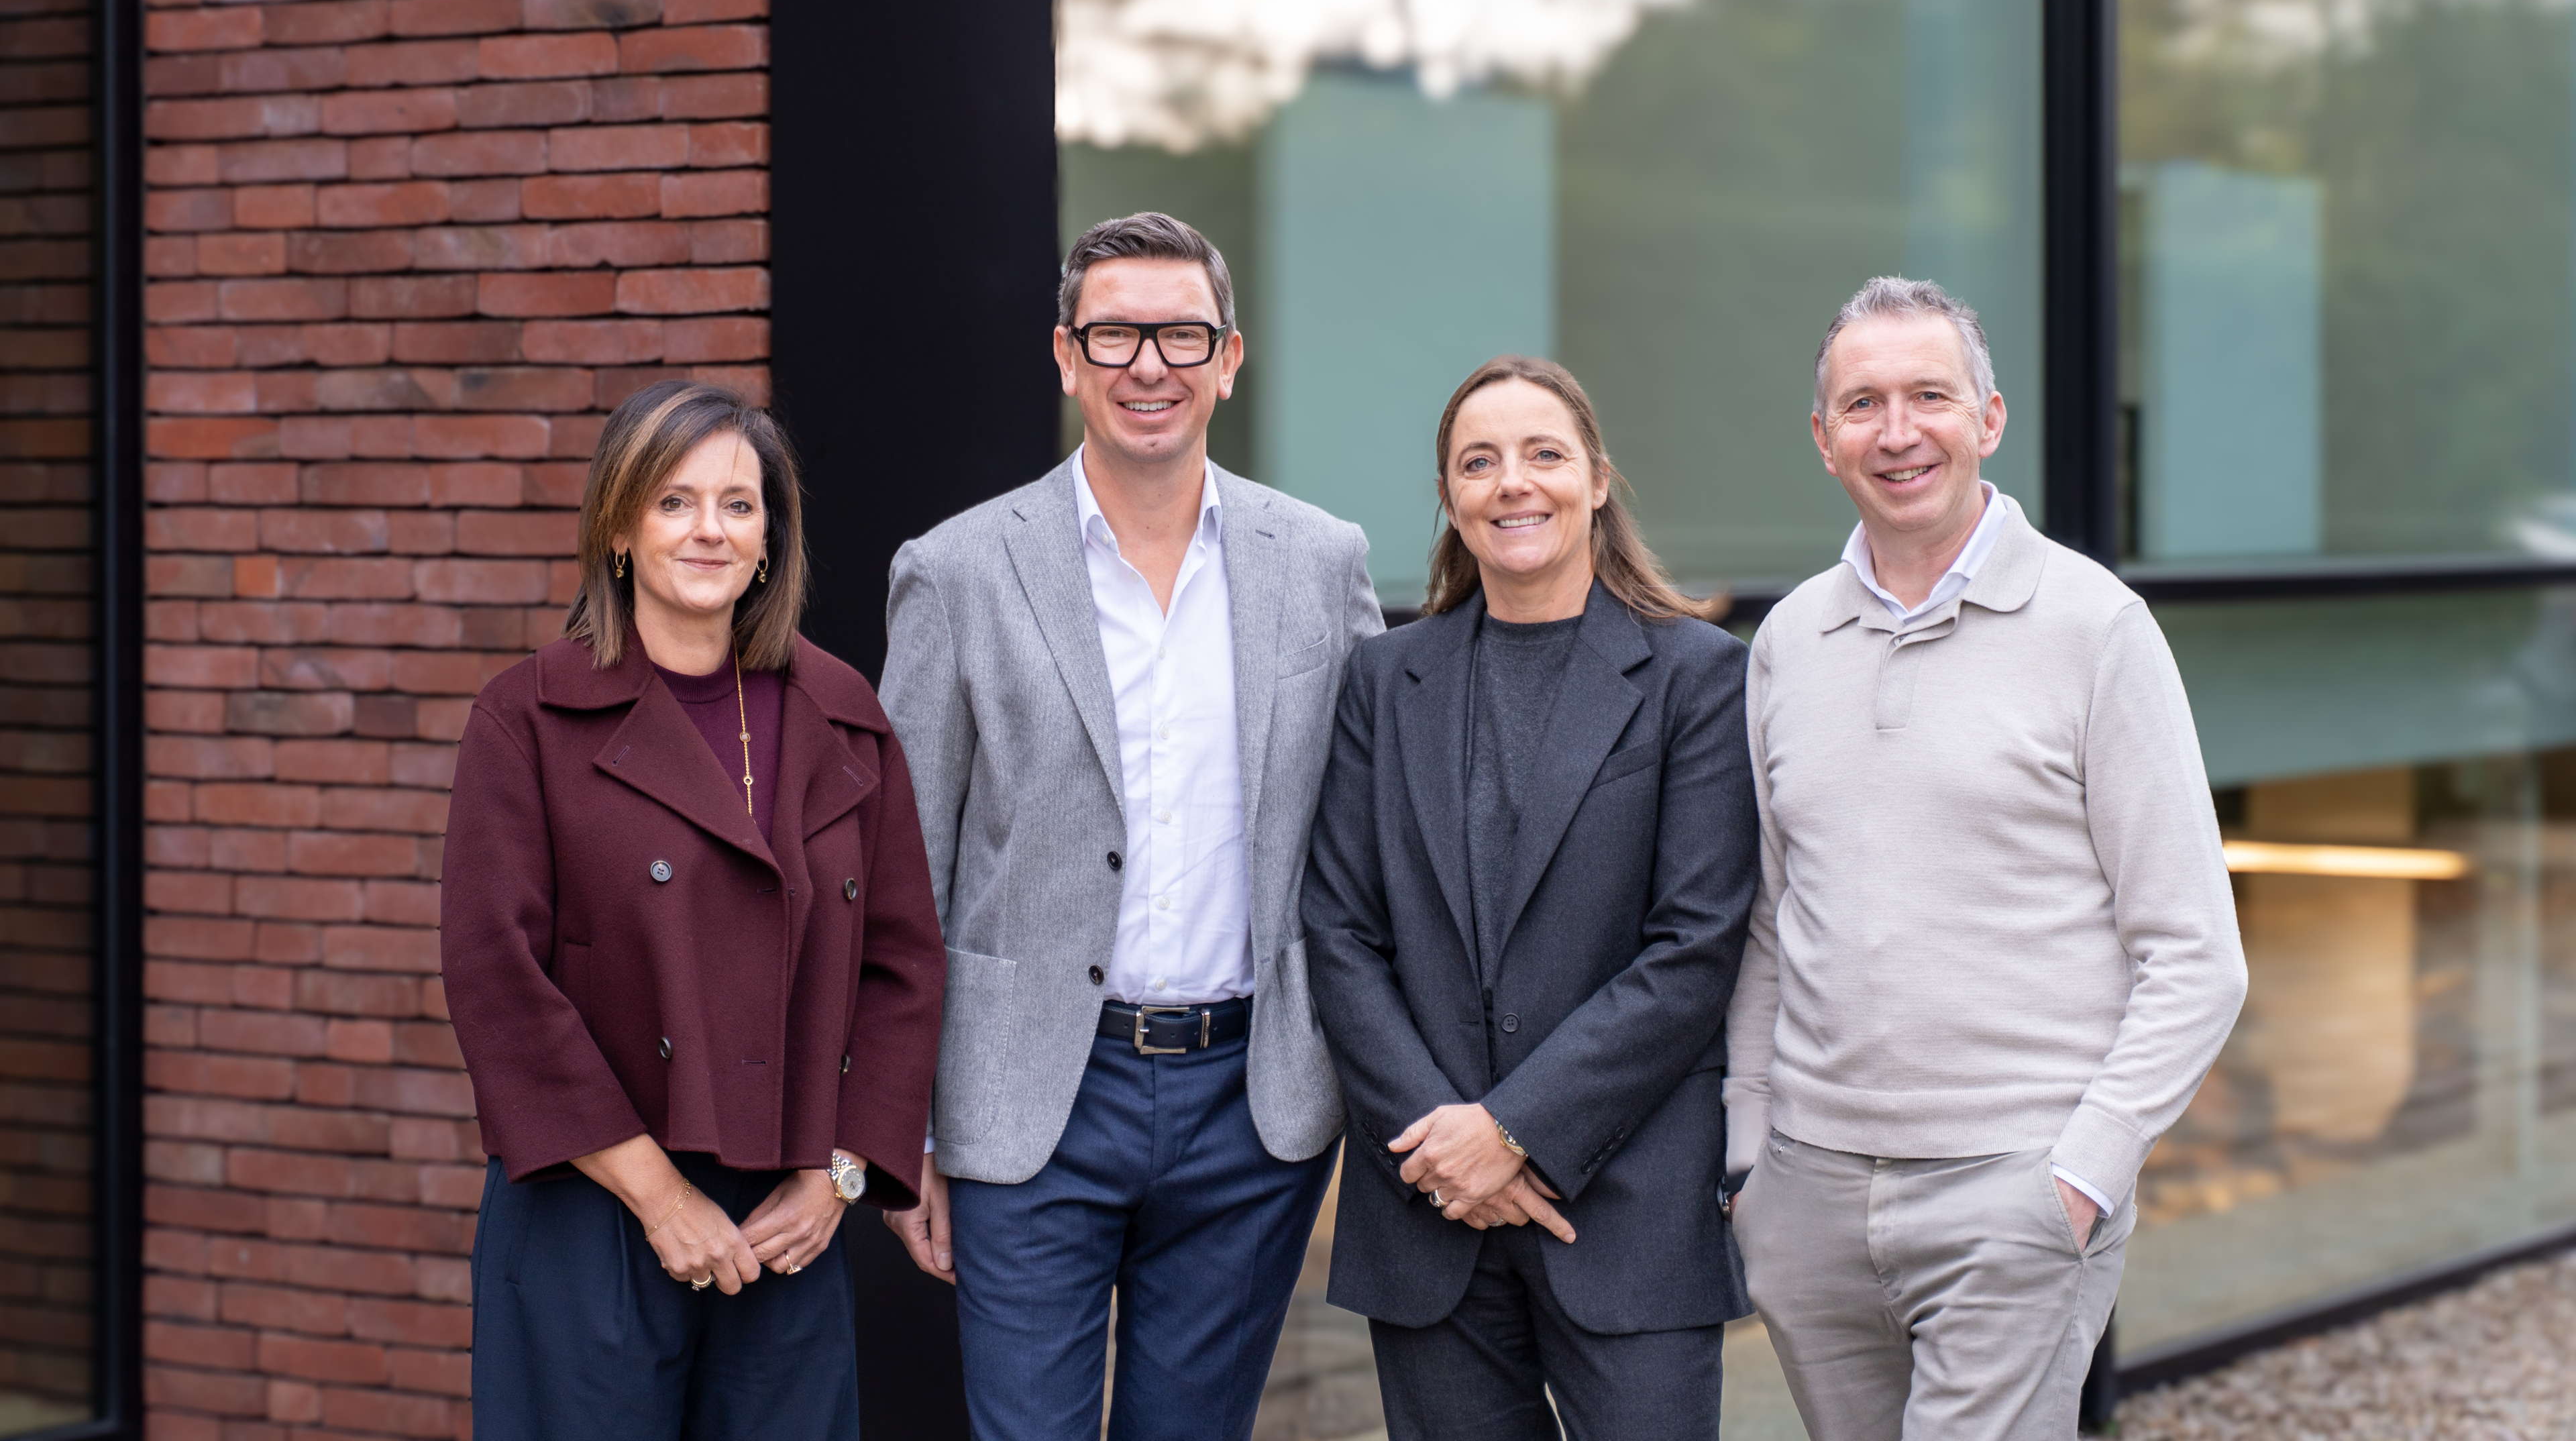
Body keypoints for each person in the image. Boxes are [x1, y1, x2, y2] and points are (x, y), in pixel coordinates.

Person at [877, 212, 1382, 1441]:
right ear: (1064, 354)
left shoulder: (1320, 563)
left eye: (1178, 335)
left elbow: (1371, 835)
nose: (1147, 365)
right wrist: (900, 1131)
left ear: (1229, 356)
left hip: (1248, 1103)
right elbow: (898, 877)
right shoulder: (958, 571)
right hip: (1027, 1098)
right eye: (1114, 335)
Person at [1725, 277, 2249, 1440]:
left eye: (1929, 396)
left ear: (1991, 419)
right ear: (1823, 440)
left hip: (2013, 1185)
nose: (1898, 432)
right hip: (1807, 1193)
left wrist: (2077, 1179)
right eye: (1862, 404)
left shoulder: (2096, 628)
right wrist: (1750, 1155)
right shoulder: (1788, 643)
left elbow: (2196, 955)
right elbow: (1771, 916)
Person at [440, 380, 947, 1441]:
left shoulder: (844, 716)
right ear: (619, 529)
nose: (709, 530)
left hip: (786, 1224)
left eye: (738, 504)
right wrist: (662, 1202)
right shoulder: (525, 718)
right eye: (674, 502)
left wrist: (839, 1178)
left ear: (771, 540)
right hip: (591, 1209)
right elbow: (499, 980)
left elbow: (903, 967)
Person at [1302, 355, 1761, 1441]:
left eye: (1543, 454)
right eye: (1480, 462)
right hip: (1428, 1215)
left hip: (1628, 1213)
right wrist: (1447, 1146)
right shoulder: (1384, 679)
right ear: (1453, 500)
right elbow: (1339, 930)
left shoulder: (1696, 676)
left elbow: (1693, 947)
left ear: (1597, 481)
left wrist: (1513, 1131)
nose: (1514, 483)